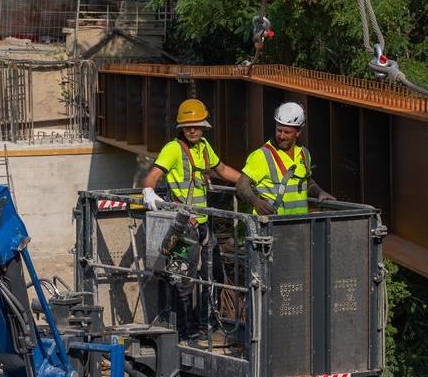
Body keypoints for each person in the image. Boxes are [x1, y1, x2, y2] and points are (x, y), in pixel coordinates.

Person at [140, 98, 244, 340]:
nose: (193, 130)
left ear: (204, 127)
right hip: (183, 229)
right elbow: (153, 174)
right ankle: (184, 334)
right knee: (182, 281)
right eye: (188, 127)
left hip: (203, 226)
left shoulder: (204, 147)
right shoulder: (173, 149)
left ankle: (206, 327)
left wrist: (247, 181)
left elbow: (222, 170)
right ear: (182, 128)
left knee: (214, 277)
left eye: (197, 126)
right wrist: (148, 190)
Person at [236, 102, 335, 216]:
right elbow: (241, 184)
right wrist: (256, 202)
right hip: (270, 223)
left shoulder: (304, 153)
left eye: (287, 132)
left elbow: (306, 181)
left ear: (298, 132)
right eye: (279, 130)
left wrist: (319, 192)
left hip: (299, 222)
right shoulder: (262, 155)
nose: (282, 136)